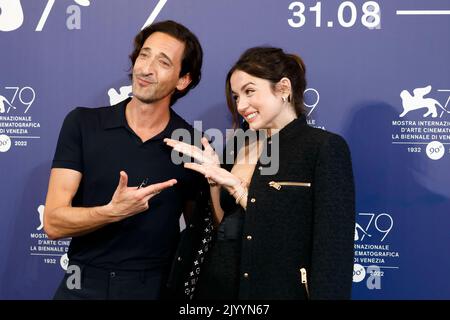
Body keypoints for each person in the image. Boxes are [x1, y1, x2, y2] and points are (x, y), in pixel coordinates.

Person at [164, 47, 355, 299]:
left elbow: (332, 248)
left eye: (249, 91)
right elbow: (224, 225)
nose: (241, 105)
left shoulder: (322, 148)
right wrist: (213, 180)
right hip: (217, 288)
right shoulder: (238, 144)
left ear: (284, 88)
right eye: (235, 96)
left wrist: (240, 190)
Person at [43, 20, 205, 300]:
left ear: (183, 80)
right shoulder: (83, 123)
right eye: (144, 55)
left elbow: (198, 236)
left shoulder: (192, 145)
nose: (145, 68)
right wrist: (112, 211)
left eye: (163, 62)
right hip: (81, 282)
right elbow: (54, 223)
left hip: (153, 287)